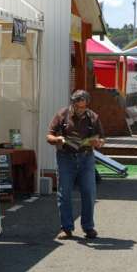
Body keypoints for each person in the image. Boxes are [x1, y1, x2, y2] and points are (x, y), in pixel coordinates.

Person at [47, 90, 104, 239]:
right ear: (72, 104)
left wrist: (97, 142)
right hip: (65, 157)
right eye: (78, 107)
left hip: (86, 157)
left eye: (83, 107)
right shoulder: (62, 114)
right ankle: (66, 228)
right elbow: (49, 135)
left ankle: (88, 227)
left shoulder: (93, 117)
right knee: (64, 193)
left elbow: (102, 138)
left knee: (89, 193)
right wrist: (58, 139)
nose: (80, 110)